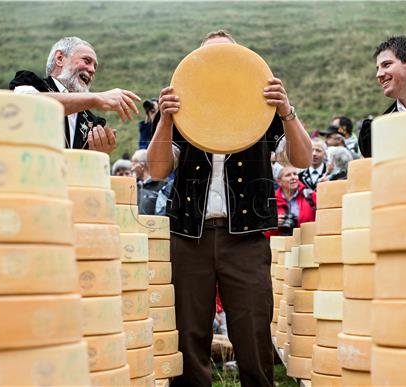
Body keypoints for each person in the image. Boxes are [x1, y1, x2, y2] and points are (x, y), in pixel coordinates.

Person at [147, 30, 312, 387]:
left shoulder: (262, 110)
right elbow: (157, 169)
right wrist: (164, 119)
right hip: (190, 236)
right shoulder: (181, 111)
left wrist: (287, 110)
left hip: (247, 238)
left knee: (252, 334)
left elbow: (301, 157)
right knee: (189, 336)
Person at [9, 36, 141, 154]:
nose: (92, 70)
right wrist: (97, 98)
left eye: (95, 66)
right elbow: (25, 104)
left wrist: (98, 156)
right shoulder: (30, 83)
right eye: (87, 61)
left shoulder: (92, 123)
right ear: (60, 58)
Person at [266, 165, 316, 238]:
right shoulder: (271, 202)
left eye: (295, 174)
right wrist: (273, 225)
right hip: (282, 246)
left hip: (308, 243)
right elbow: (266, 235)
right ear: (279, 181)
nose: (293, 177)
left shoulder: (310, 196)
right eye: (288, 175)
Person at [131, 149, 166, 214]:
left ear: (141, 166)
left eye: (133, 164)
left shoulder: (162, 186)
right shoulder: (134, 186)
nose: (131, 168)